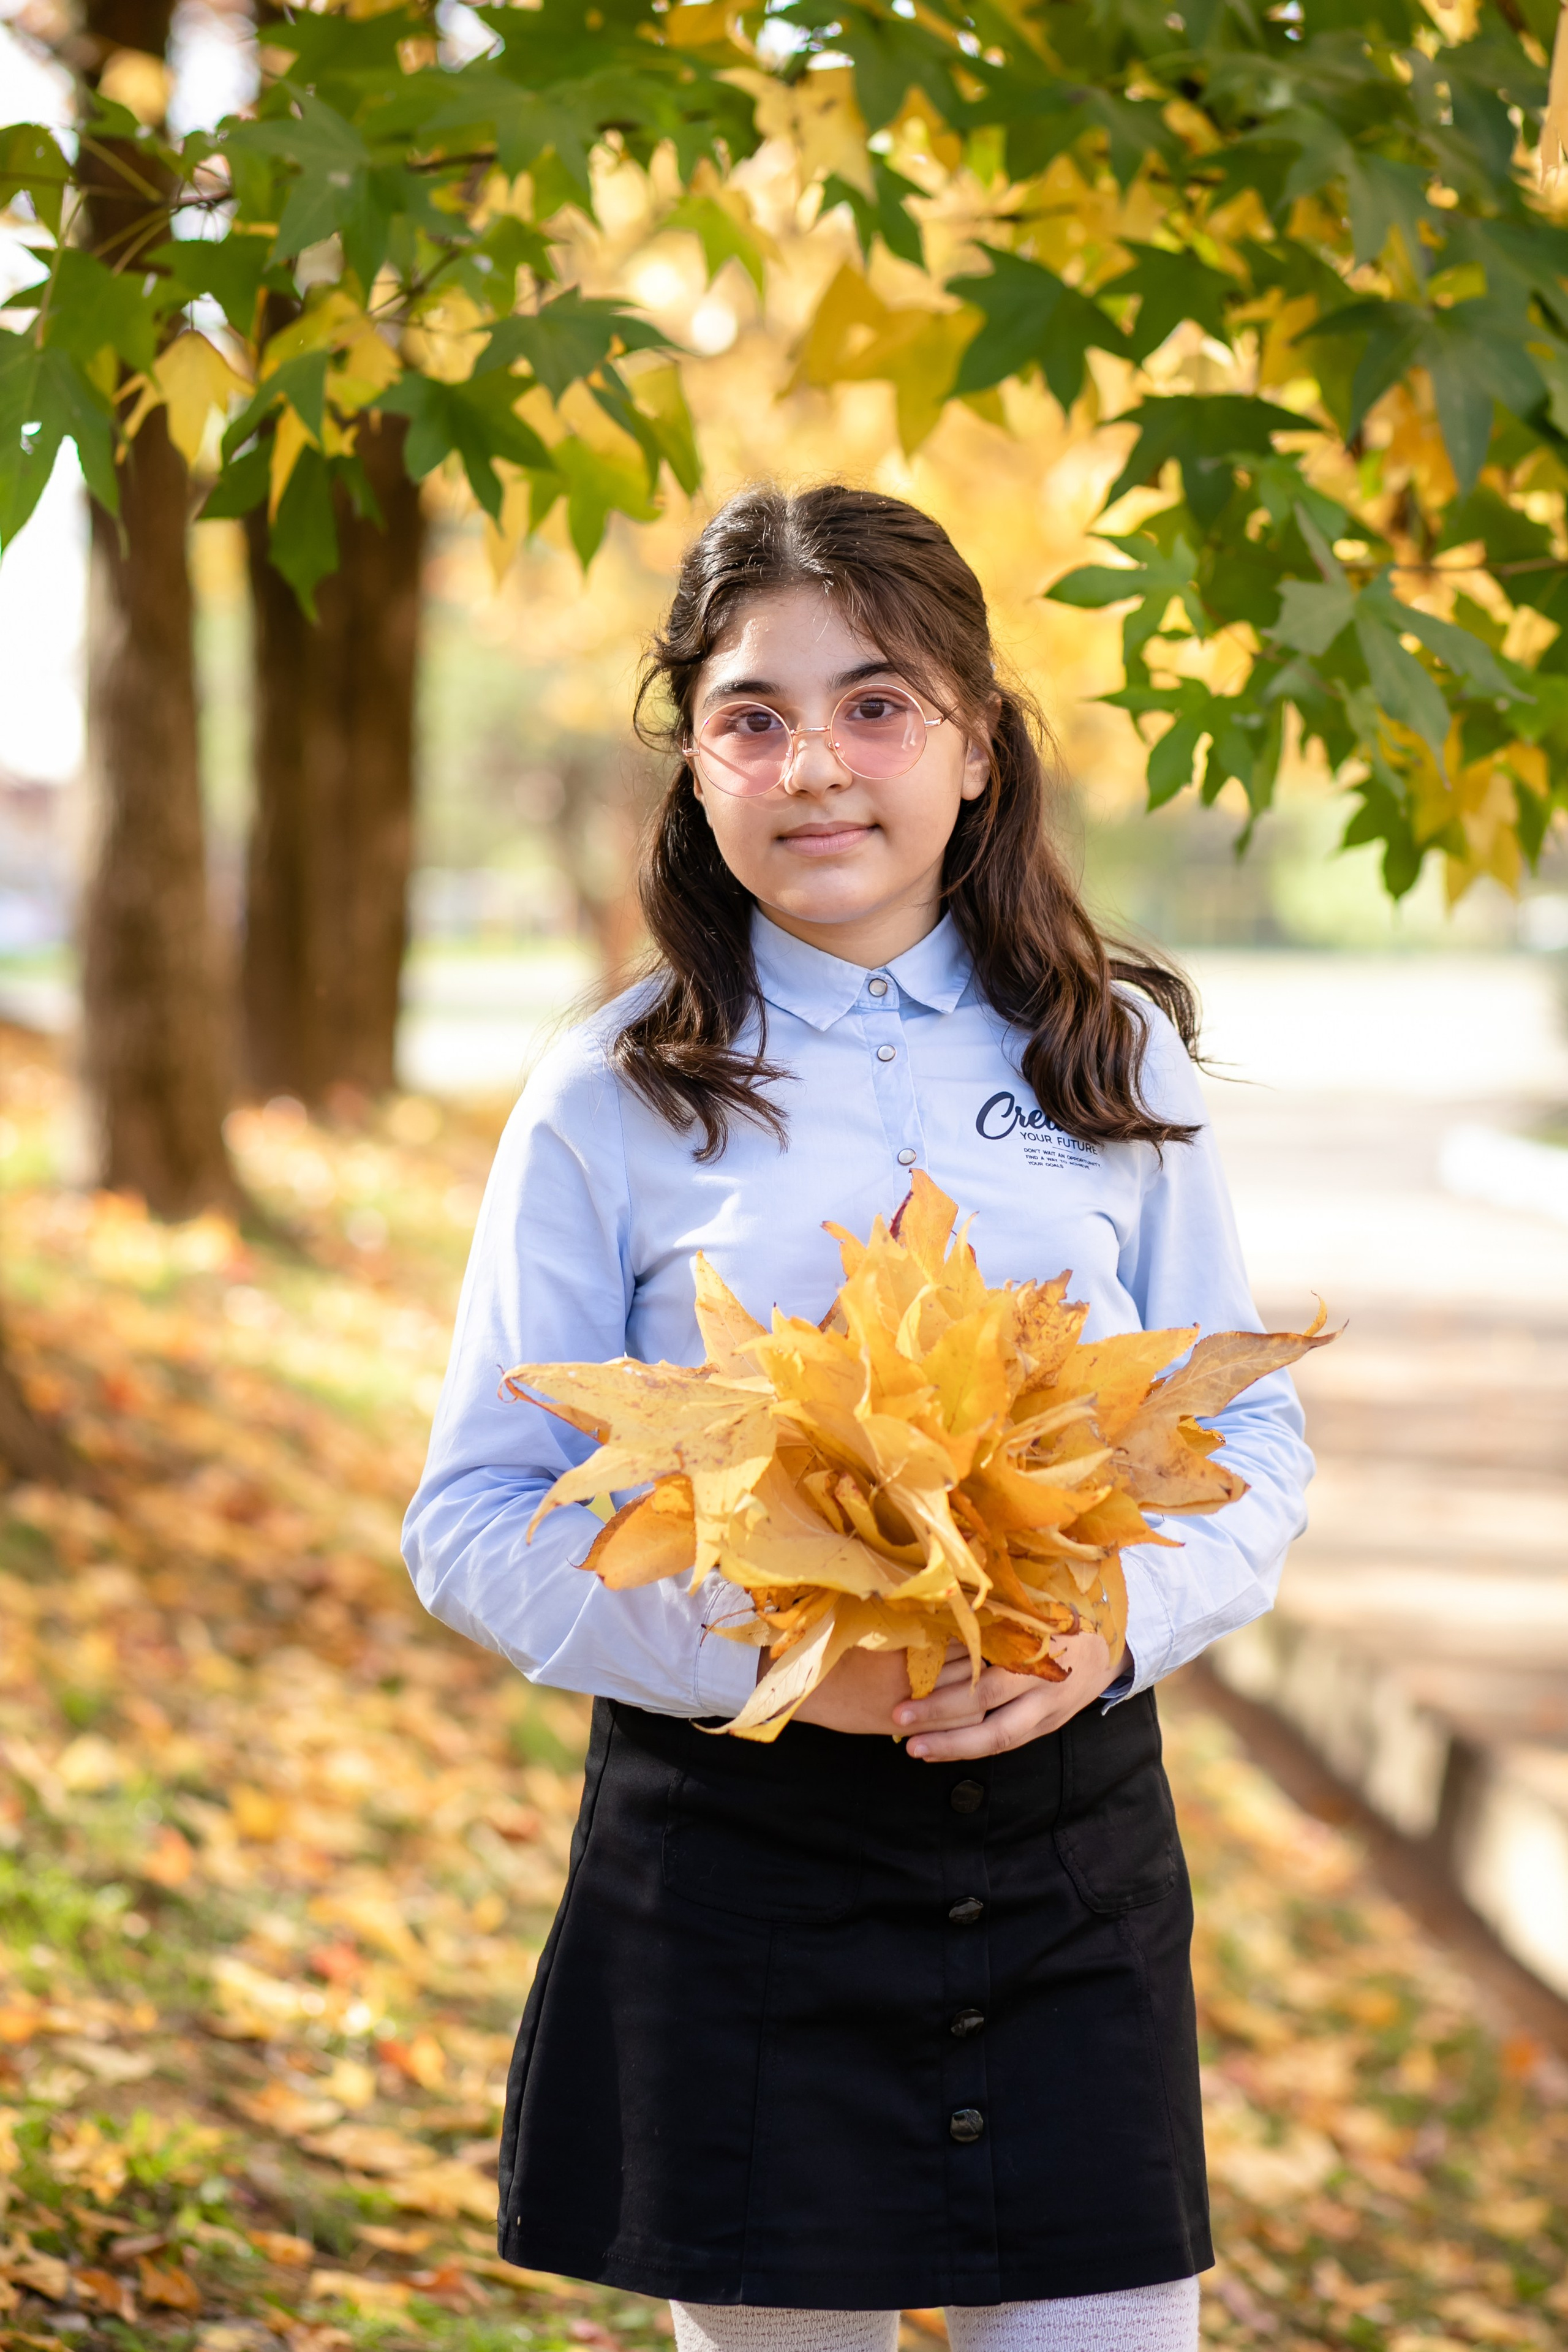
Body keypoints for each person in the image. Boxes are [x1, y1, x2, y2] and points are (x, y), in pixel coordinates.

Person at [403, 484, 1313, 2352]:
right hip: (736, 1874)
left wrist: (1115, 1633)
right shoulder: (610, 1095)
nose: (815, 763)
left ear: (978, 743)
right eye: (752, 715)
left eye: (878, 703)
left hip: (1070, 1855)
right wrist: (779, 1663)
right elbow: (477, 1519)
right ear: (697, 767)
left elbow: (1250, 1444)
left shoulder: (1112, 1055)